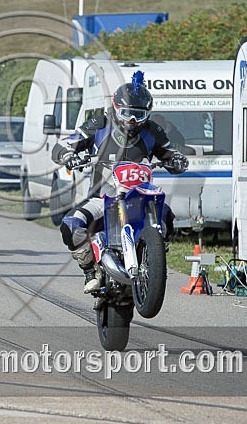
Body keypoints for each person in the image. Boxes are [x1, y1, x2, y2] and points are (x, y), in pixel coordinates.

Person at [51, 72, 189, 293]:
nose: (132, 121)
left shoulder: (152, 130)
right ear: (116, 108)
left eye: (138, 115)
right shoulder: (99, 124)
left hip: (141, 196)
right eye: (127, 114)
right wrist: (68, 155)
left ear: (148, 113)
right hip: (101, 197)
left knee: (168, 216)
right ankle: (90, 271)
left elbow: (169, 153)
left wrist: (177, 160)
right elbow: (64, 145)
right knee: (71, 225)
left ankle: (152, 259)